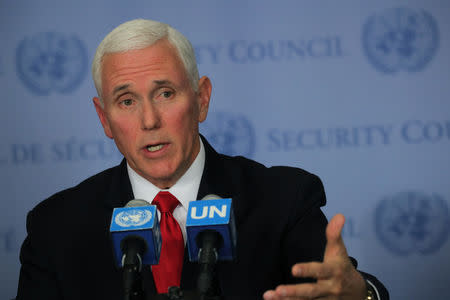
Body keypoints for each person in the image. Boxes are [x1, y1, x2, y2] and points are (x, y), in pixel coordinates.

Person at [17, 19, 389, 300]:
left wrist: (363, 294)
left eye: (165, 93)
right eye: (127, 101)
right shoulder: (56, 228)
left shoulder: (284, 200)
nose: (150, 120)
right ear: (104, 119)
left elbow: (336, 288)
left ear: (202, 98)